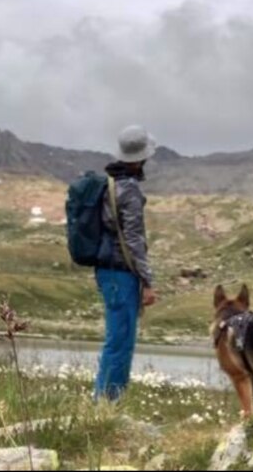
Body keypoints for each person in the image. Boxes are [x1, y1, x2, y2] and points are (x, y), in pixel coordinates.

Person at [94, 125, 159, 401]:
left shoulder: (108, 183)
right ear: (141, 159)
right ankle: (107, 405)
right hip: (123, 274)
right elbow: (133, 239)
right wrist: (147, 281)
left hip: (106, 271)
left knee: (115, 340)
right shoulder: (129, 190)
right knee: (121, 342)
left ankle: (103, 401)